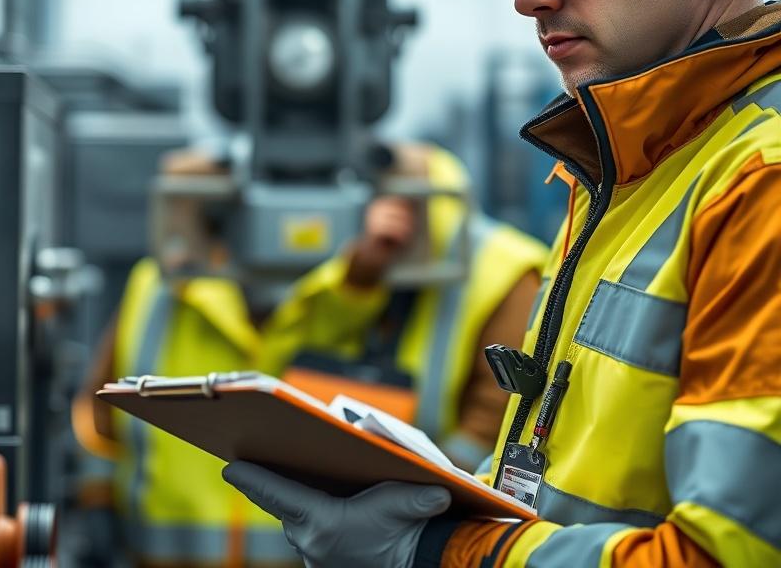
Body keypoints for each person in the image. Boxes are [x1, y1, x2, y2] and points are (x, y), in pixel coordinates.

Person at [222, 0, 781, 567]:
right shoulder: (631, 172)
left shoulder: (760, 183)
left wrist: (442, 550)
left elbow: (725, 558)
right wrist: (450, 490)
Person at [74, 141, 546, 567]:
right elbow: (98, 413)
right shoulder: (161, 284)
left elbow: (500, 440)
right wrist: (94, 501)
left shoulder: (483, 275)